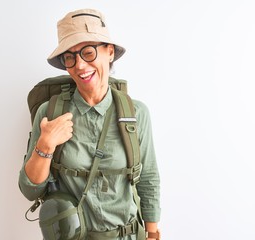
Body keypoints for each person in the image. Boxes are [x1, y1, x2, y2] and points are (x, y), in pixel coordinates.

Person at [18, 8, 161, 240]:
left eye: (88, 52)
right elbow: (30, 190)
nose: (80, 66)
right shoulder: (50, 113)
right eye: (70, 57)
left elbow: (148, 179)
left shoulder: (136, 114)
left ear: (110, 52)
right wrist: (45, 144)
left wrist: (153, 233)